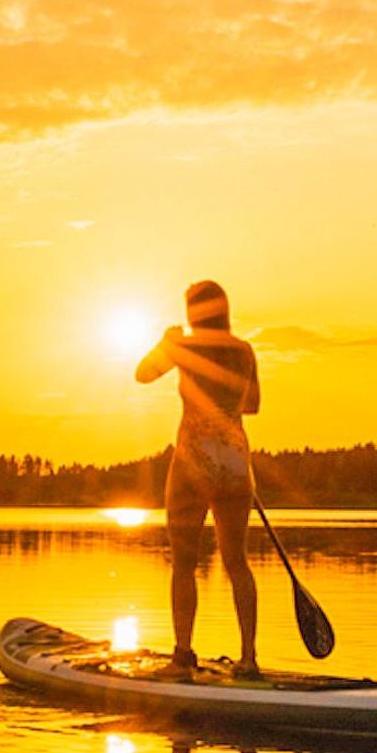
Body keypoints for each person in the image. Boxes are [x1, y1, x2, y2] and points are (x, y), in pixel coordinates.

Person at [134, 280, 261, 678]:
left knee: (185, 564)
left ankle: (183, 656)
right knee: (237, 562)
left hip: (194, 463)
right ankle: (248, 658)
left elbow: (142, 375)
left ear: (192, 312)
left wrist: (163, 343)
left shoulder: (183, 347)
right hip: (237, 463)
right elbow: (253, 406)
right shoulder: (244, 350)